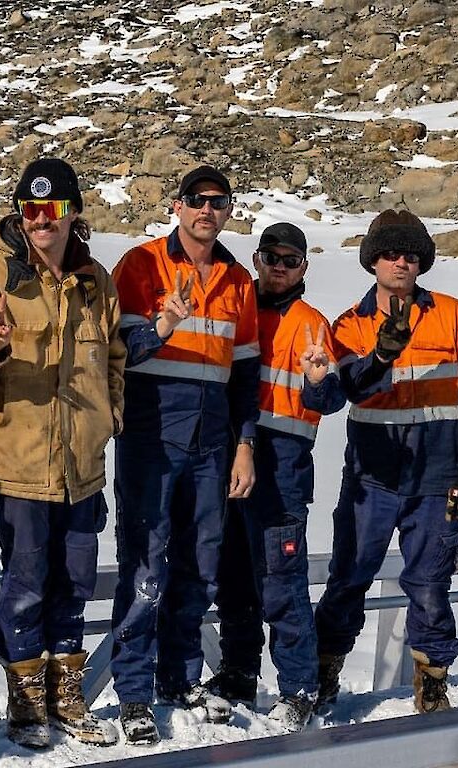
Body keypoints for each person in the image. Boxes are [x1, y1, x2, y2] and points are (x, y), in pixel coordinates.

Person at [0, 158, 124, 749]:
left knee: (74, 579)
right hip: (18, 463)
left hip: (82, 466)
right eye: (32, 209)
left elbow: (113, 358)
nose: (43, 221)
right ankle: (26, 696)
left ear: (73, 214)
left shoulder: (96, 280)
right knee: (27, 583)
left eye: (55, 209)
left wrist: (108, 417)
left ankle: (66, 691)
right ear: (20, 213)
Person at [308, 210, 458, 714]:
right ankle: (324, 669)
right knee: (349, 575)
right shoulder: (350, 324)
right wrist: (382, 356)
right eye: (391, 253)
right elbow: (350, 388)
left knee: (431, 583)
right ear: (373, 261)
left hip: (438, 480)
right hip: (373, 479)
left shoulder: (453, 315)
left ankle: (431, 679)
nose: (401, 262)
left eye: (411, 255)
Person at [108, 165, 260, 744]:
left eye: (218, 202)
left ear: (227, 211)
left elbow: (244, 375)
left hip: (213, 441)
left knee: (200, 562)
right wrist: (163, 325)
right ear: (177, 205)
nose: (207, 210)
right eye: (197, 200)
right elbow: (119, 352)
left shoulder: (238, 280)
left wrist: (244, 445)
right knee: (146, 563)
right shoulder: (141, 265)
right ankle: (132, 691)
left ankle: (179, 677)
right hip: (152, 435)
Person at [208, 222, 343, 731]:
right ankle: (238, 674)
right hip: (227, 459)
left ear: (303, 267)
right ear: (258, 258)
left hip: (282, 466)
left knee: (281, 583)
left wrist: (317, 380)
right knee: (233, 576)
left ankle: (298, 687)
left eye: (291, 260)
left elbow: (329, 401)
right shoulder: (237, 308)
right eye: (271, 257)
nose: (279, 267)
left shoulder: (312, 323)